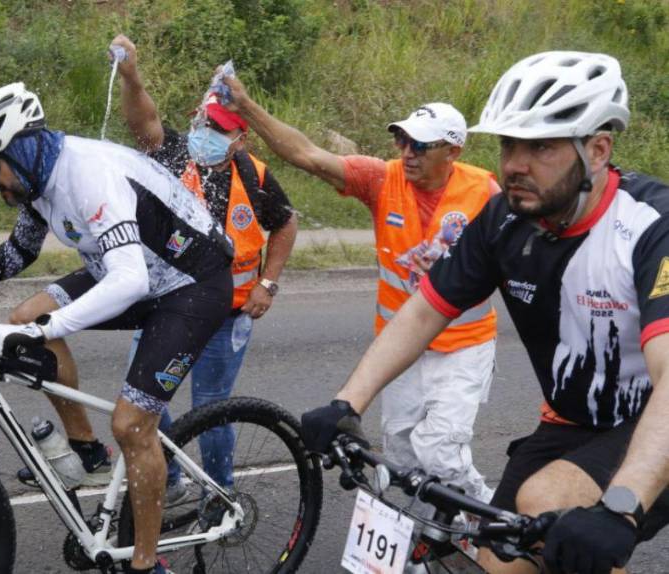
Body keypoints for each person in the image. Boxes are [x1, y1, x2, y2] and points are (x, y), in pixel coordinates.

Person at [299, 51, 669, 574]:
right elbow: (424, 311)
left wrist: (623, 506)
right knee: (499, 559)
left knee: (552, 507)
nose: (515, 164)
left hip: (656, 420)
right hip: (570, 422)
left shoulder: (651, 226)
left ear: (599, 149)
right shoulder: (504, 219)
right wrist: (346, 402)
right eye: (508, 144)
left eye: (540, 146)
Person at [0, 82, 233, 574]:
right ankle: (86, 450)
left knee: (131, 424)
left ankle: (144, 565)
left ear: (17, 149)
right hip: (134, 271)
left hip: (192, 285)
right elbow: (20, 251)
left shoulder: (88, 175)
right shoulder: (35, 180)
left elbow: (130, 281)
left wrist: (46, 331)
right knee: (24, 316)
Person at [220, 76, 499, 503]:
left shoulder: (486, 192)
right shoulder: (381, 179)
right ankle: (422, 547)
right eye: (402, 140)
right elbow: (307, 155)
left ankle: (487, 517)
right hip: (401, 349)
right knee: (402, 461)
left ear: (453, 151)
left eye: (420, 146)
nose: (407, 153)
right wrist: (246, 107)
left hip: (464, 347)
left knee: (441, 453)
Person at [109, 34, 298, 502]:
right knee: (143, 399)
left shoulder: (254, 175)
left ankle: (220, 493)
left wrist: (268, 284)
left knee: (211, 410)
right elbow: (144, 123)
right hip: (163, 307)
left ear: (240, 137)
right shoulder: (175, 156)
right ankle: (167, 477)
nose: (207, 132)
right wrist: (131, 76)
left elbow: (286, 224)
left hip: (225, 316)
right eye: (204, 121)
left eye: (220, 127)